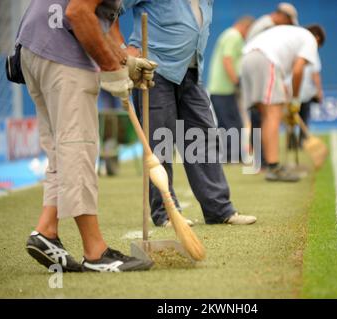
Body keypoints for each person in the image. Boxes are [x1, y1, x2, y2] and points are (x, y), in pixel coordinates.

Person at [18, 0, 157, 272]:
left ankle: (46, 231)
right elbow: (78, 12)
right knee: (77, 148)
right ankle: (95, 252)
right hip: (61, 50)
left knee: (62, 151)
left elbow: (101, 21)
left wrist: (124, 61)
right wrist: (110, 69)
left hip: (37, 46)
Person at [121, 0, 257, 227]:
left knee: (203, 139)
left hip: (191, 72)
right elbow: (107, 8)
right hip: (154, 69)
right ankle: (166, 213)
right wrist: (122, 50)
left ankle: (219, 210)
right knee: (160, 143)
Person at [241, 25, 326, 182]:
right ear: (318, 39)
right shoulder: (310, 40)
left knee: (267, 114)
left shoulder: (291, 37)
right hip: (265, 59)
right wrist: (295, 101)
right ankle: (274, 167)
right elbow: (299, 71)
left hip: (247, 59)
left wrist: (287, 108)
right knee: (273, 114)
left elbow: (285, 81)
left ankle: (269, 165)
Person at [246, 3, 299, 169]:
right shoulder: (268, 27)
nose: (288, 27)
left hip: (255, 73)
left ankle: (263, 161)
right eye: (289, 23)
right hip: (259, 74)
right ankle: (265, 162)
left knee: (260, 117)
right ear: (282, 16)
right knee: (263, 117)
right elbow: (270, 55)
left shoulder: (264, 24)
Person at [207, 16, 255, 163]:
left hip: (221, 89)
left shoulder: (229, 35)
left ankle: (232, 156)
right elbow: (227, 59)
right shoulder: (234, 36)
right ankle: (231, 156)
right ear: (245, 28)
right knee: (231, 124)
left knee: (229, 123)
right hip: (223, 89)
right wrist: (236, 81)